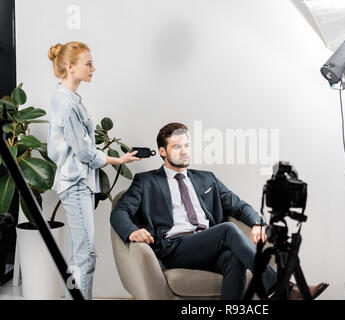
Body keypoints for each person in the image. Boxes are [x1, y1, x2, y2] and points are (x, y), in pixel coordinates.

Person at [110, 122, 328, 299]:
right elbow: (119, 211)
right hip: (175, 248)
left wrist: (257, 222)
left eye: (187, 145)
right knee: (227, 230)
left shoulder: (207, 179)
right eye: (177, 147)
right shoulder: (146, 182)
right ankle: (285, 289)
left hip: (209, 244)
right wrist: (131, 231)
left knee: (234, 258)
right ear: (162, 151)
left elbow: (239, 205)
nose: (184, 151)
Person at [47, 41, 141, 299]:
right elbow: (84, 152)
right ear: (70, 66)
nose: (93, 68)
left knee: (81, 254)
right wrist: (117, 161)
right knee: (85, 255)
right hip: (75, 184)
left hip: (79, 182)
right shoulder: (67, 104)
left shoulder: (69, 99)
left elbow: (69, 149)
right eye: (88, 63)